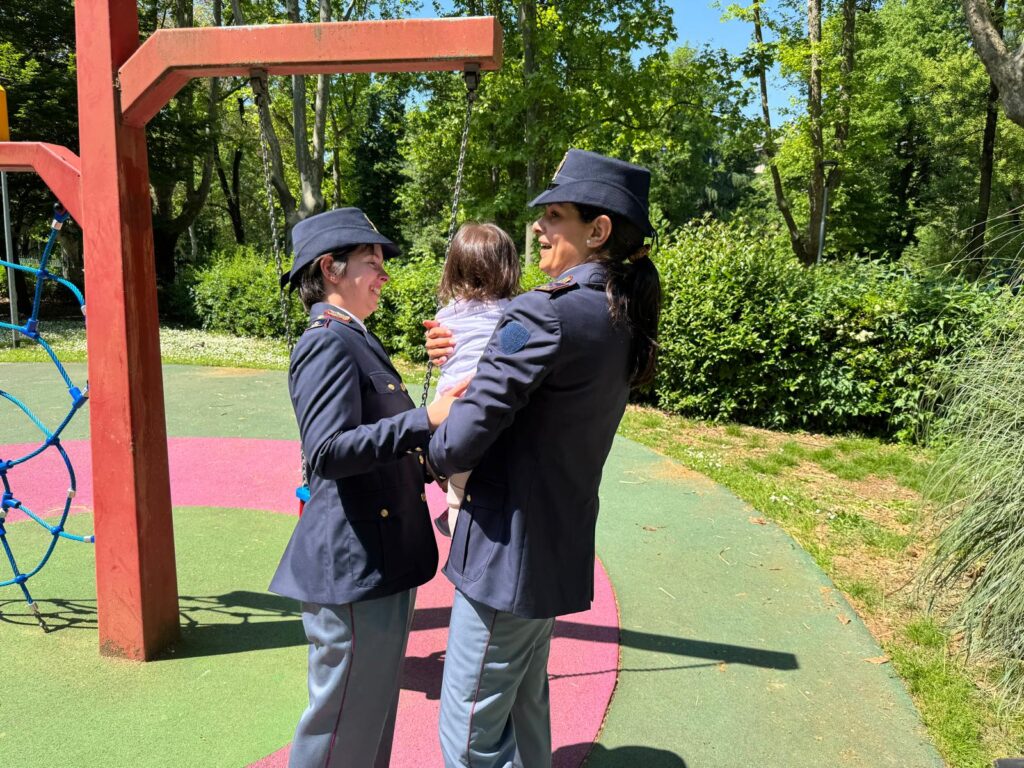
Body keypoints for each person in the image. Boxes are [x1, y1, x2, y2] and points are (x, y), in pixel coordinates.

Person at [426, 149, 663, 768]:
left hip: (505, 555)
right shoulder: (620, 312)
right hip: (553, 546)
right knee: (526, 706)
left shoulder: (546, 311)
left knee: (470, 735)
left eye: (554, 215)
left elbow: (463, 435)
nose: (537, 227)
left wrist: (430, 446)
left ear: (598, 230)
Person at [269, 207, 464, 768]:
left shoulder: (356, 339)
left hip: (379, 560)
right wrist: (427, 417)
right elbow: (328, 451)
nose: (384, 274)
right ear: (330, 268)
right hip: (354, 567)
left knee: (367, 723)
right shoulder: (327, 342)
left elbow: (382, 449)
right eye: (371, 262)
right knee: (342, 733)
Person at [429, 222, 521, 538]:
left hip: (446, 408)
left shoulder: (445, 316)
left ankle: (452, 505)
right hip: (485, 406)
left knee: (457, 473)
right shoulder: (514, 312)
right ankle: (458, 517)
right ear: (508, 268)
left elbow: (447, 355)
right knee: (473, 474)